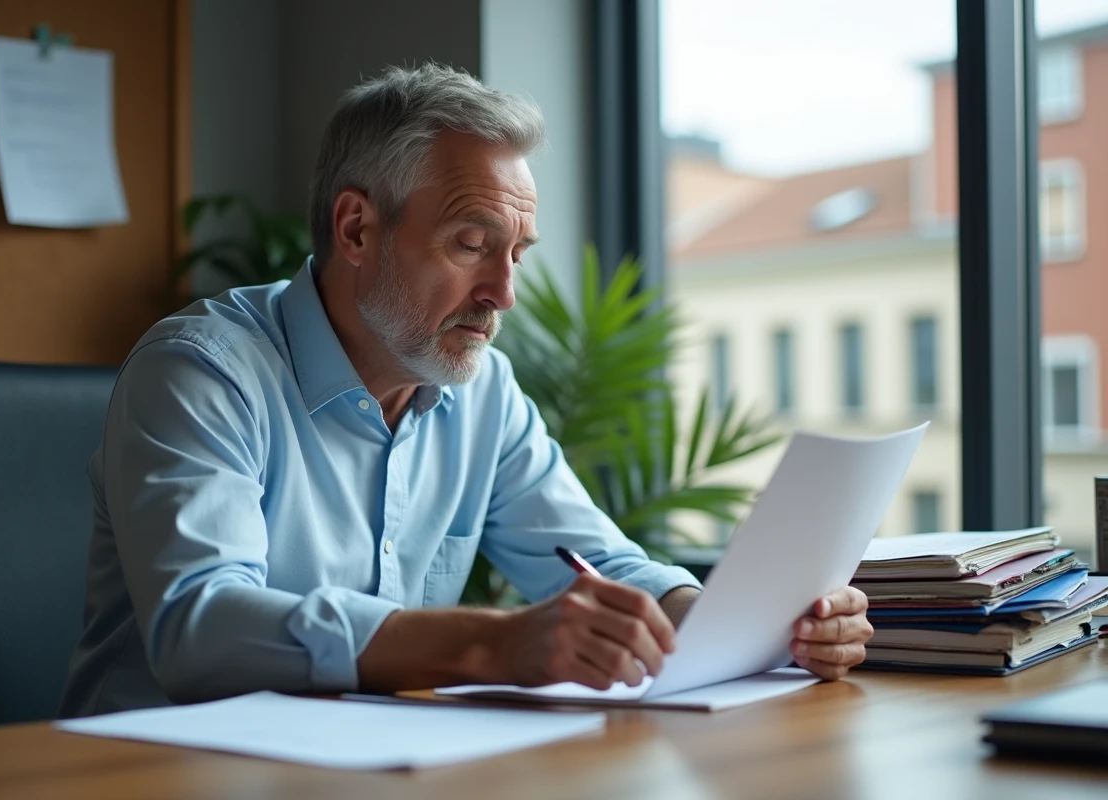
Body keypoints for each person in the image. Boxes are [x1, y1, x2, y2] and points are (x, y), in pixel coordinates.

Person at [59, 64, 872, 717]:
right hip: (156, 771)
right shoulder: (201, 373)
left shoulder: (482, 392)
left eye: (516, 252)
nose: (502, 293)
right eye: (471, 243)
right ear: (356, 229)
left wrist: (750, 627)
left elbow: (599, 564)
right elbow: (201, 629)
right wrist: (491, 644)